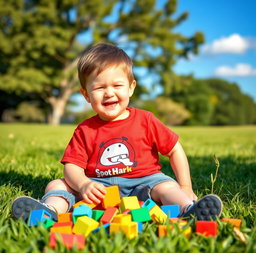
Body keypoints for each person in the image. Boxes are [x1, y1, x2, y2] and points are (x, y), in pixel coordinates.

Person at [12, 43, 222, 222]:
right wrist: (84, 184)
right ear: (86, 95)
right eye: (99, 87)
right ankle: (48, 212)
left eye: (117, 85)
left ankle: (189, 209)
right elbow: (72, 167)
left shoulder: (145, 120)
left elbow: (174, 150)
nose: (109, 93)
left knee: (167, 186)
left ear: (131, 88)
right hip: (98, 188)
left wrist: (185, 186)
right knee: (57, 184)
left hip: (144, 183)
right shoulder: (85, 129)